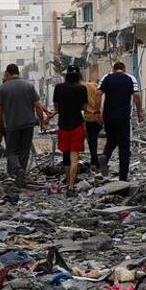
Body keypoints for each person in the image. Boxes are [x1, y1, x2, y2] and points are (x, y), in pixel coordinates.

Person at [0, 64, 47, 186]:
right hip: (28, 124)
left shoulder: (2, 88)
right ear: (18, 72)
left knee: (11, 151)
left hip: (12, 125)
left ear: (8, 73)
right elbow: (38, 105)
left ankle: (18, 170)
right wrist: (42, 121)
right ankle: (22, 177)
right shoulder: (29, 86)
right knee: (24, 151)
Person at [97, 60, 143, 182]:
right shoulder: (130, 78)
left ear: (114, 69)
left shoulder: (107, 77)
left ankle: (105, 156)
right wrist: (139, 112)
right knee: (124, 147)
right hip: (123, 118)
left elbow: (98, 93)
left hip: (108, 117)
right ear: (124, 69)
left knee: (111, 141)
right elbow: (137, 95)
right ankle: (123, 178)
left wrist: (97, 112)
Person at [50, 65, 89, 194]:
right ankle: (71, 186)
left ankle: (67, 182)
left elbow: (56, 106)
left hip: (63, 126)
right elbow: (84, 107)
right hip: (77, 126)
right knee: (74, 158)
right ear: (78, 76)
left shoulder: (58, 88)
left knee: (66, 157)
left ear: (66, 75)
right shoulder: (82, 88)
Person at [82, 74, 103, 172]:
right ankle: (95, 162)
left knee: (92, 143)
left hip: (89, 118)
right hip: (99, 117)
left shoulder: (80, 88)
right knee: (94, 141)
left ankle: (95, 163)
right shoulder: (94, 85)